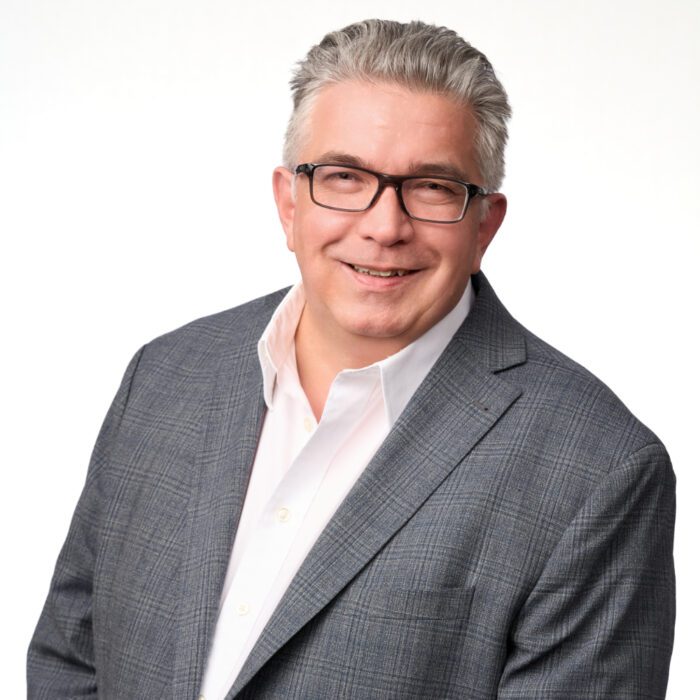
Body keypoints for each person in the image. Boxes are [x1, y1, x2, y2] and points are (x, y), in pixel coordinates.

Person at [28, 19, 675, 699]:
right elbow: (70, 663)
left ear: (485, 224)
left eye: (431, 187)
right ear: (288, 203)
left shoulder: (598, 471)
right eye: (343, 176)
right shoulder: (164, 378)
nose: (384, 226)